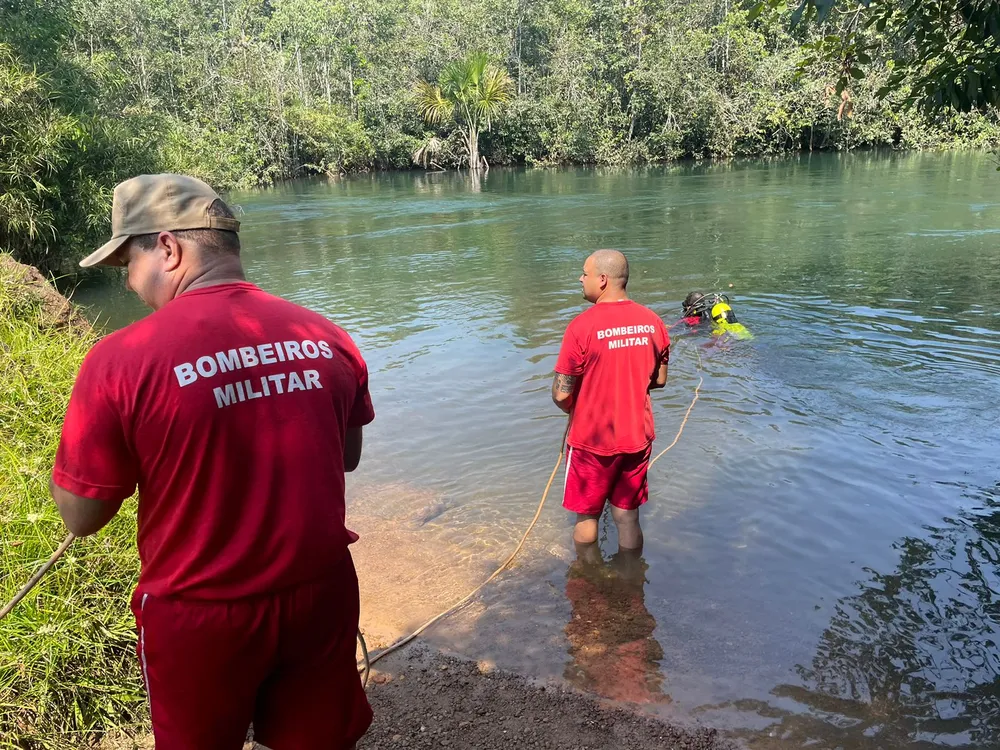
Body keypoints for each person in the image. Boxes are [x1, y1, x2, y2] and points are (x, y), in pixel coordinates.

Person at [49, 174, 374, 750]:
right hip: (320, 596)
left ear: (167, 248)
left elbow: (82, 515)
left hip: (199, 615)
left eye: (127, 262)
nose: (128, 282)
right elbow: (346, 457)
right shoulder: (325, 336)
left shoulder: (119, 360)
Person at [551, 249, 670, 549]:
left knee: (587, 516)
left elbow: (561, 392)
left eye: (585, 273)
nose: (581, 279)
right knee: (627, 516)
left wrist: (575, 408)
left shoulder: (581, 326)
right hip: (637, 436)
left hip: (592, 441)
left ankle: (585, 575)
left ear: (602, 279)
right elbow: (660, 380)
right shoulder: (652, 321)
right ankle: (632, 575)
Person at [680, 290, 753, 340]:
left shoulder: (690, 319)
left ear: (689, 306)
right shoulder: (712, 311)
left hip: (714, 335)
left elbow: (678, 330)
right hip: (726, 331)